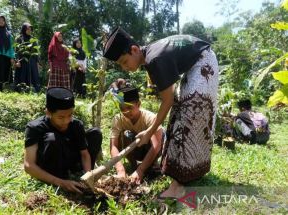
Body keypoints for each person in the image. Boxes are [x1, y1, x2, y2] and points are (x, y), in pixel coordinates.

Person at [103, 27, 219, 199]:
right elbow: (171, 99)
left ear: (134, 50)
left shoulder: (154, 59)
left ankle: (178, 186)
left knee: (190, 113)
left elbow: (167, 101)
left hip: (203, 62)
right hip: (197, 63)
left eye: (124, 61)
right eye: (121, 65)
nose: (125, 68)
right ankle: (188, 172)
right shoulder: (152, 55)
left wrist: (149, 131)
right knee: (180, 112)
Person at [24, 87, 102, 193]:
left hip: (70, 160)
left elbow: (84, 154)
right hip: (52, 166)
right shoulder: (35, 127)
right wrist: (61, 182)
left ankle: (79, 173)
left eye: (70, 115)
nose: (66, 121)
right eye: (61, 117)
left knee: (95, 133)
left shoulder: (76, 124)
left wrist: (88, 175)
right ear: (48, 112)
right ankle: (59, 176)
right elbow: (29, 166)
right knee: (52, 138)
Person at [110, 86, 164, 184]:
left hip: (152, 148)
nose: (125, 111)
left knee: (159, 136)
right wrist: (120, 170)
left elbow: (156, 146)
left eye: (129, 107)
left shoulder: (150, 118)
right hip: (135, 150)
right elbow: (113, 146)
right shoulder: (118, 119)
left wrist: (140, 171)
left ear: (138, 104)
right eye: (122, 108)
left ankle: (148, 165)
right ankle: (134, 165)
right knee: (125, 134)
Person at [14, 23, 40, 92]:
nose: (29, 30)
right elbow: (16, 51)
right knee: (22, 76)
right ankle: (21, 90)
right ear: (24, 29)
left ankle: (33, 91)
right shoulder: (19, 38)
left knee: (33, 77)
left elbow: (36, 52)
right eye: (27, 29)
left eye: (30, 29)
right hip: (22, 60)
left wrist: (37, 63)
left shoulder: (33, 39)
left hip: (32, 61)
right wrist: (17, 61)